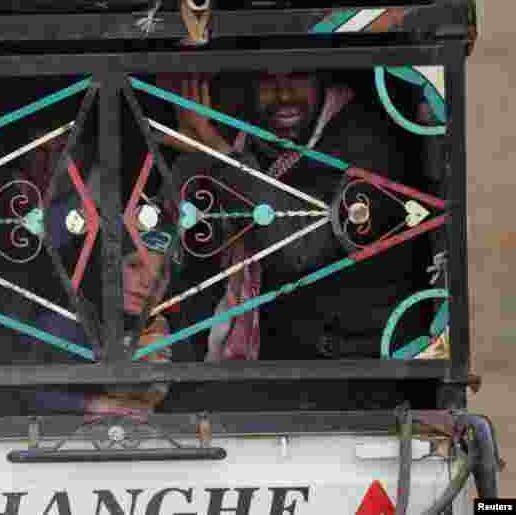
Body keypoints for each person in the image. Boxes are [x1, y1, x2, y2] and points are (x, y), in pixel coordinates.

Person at [159, 70, 430, 365]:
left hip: (360, 363)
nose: (284, 94)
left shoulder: (365, 137)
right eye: (266, 80)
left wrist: (215, 150)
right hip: (286, 353)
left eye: (298, 77)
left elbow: (295, 247)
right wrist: (197, 152)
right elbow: (178, 236)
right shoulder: (249, 137)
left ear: (322, 79)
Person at [28, 229, 192, 416]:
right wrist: (95, 404)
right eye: (135, 265)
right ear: (106, 269)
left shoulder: (172, 336)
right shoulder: (64, 324)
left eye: (161, 274)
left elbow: (191, 405)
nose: (148, 283)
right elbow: (25, 393)